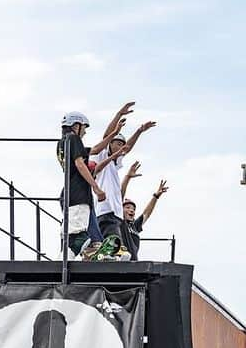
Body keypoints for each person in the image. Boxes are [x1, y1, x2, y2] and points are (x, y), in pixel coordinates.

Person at [93, 120, 154, 260]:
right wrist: (119, 115)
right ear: (110, 144)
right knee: (114, 237)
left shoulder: (115, 164)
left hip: (114, 212)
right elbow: (106, 136)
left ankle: (105, 255)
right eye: (118, 144)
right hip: (105, 208)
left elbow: (127, 148)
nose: (121, 148)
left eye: (122, 144)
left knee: (112, 238)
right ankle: (110, 253)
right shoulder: (101, 156)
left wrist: (139, 131)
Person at [57, 111, 109, 258]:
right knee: (77, 239)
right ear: (76, 125)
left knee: (71, 237)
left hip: (70, 193)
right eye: (84, 127)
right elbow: (80, 164)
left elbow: (95, 149)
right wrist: (96, 187)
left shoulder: (62, 143)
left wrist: (114, 133)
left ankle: (63, 264)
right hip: (79, 193)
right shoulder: (74, 138)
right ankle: (86, 251)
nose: (85, 132)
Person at [119, 181, 167, 261]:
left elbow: (146, 214)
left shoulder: (134, 226)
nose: (131, 210)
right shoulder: (119, 222)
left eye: (133, 209)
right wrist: (128, 177)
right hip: (121, 261)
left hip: (134, 262)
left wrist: (156, 197)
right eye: (127, 207)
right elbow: (118, 198)